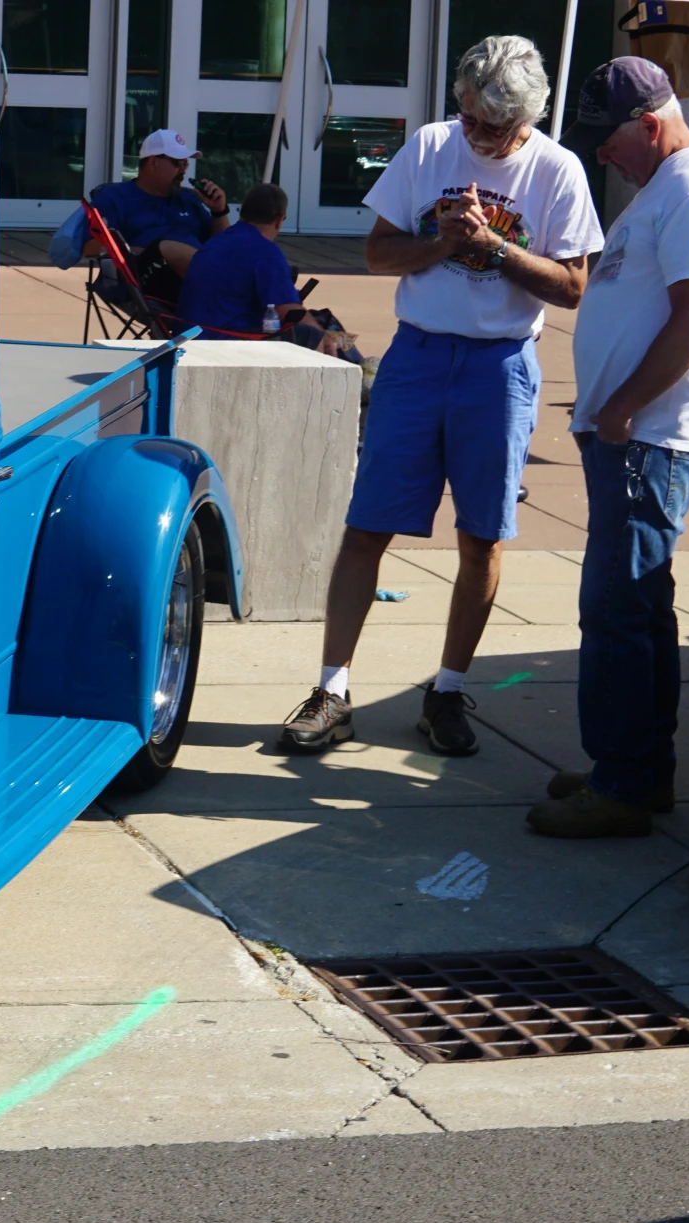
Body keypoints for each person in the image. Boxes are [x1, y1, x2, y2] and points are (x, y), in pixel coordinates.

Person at [278, 35, 600, 760]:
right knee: (368, 524)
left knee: (482, 536)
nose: (477, 136)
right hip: (419, 355)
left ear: (530, 115)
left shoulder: (557, 170)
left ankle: (448, 691)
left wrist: (495, 251)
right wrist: (439, 246)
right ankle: (332, 690)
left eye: (493, 126)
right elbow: (377, 251)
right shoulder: (430, 147)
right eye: (468, 117)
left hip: (501, 366)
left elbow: (575, 286)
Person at [525, 58, 689, 838]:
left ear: (649, 125)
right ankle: (636, 769)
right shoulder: (669, 187)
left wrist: (620, 409)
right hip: (634, 436)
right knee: (639, 605)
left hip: (649, 437)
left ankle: (624, 781)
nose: (599, 155)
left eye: (607, 140)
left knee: (617, 608)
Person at [89, 129, 231, 285]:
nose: (183, 171)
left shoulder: (189, 198)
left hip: (197, 282)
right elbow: (89, 247)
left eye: (186, 164)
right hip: (146, 280)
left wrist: (219, 211)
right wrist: (147, 253)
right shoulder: (115, 197)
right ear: (153, 162)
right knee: (168, 248)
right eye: (177, 163)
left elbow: (222, 246)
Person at [178, 182, 302, 337]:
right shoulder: (264, 251)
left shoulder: (214, 243)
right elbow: (290, 312)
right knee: (312, 333)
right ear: (279, 220)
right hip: (225, 340)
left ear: (242, 212)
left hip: (188, 337)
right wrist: (323, 334)